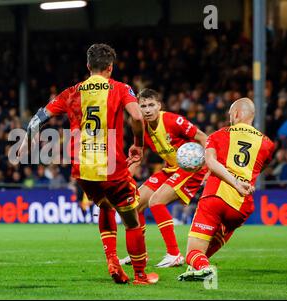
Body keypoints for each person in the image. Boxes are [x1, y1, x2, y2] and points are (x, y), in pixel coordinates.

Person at [19, 43, 158, 285]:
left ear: (88, 66)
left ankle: (113, 260)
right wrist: (138, 144)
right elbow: (137, 116)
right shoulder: (120, 88)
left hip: (83, 169)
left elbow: (38, 118)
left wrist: (23, 144)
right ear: (110, 68)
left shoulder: (72, 92)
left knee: (104, 205)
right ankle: (141, 275)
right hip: (111, 167)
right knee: (131, 219)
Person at [178, 98, 274, 281]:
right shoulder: (268, 144)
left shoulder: (217, 135)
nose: (230, 117)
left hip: (216, 197)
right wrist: (240, 182)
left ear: (236, 114)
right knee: (206, 248)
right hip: (242, 205)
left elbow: (211, 163)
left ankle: (203, 266)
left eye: (231, 114)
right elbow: (257, 168)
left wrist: (233, 182)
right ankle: (199, 268)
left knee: (192, 253)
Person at [118, 88, 208, 267]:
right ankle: (139, 255)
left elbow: (203, 137)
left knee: (156, 202)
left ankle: (174, 254)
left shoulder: (173, 121)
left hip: (191, 168)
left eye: (151, 105)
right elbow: (137, 155)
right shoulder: (140, 125)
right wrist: (123, 179)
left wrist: (210, 165)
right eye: (143, 106)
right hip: (170, 168)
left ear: (159, 105)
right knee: (135, 204)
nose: (148, 110)